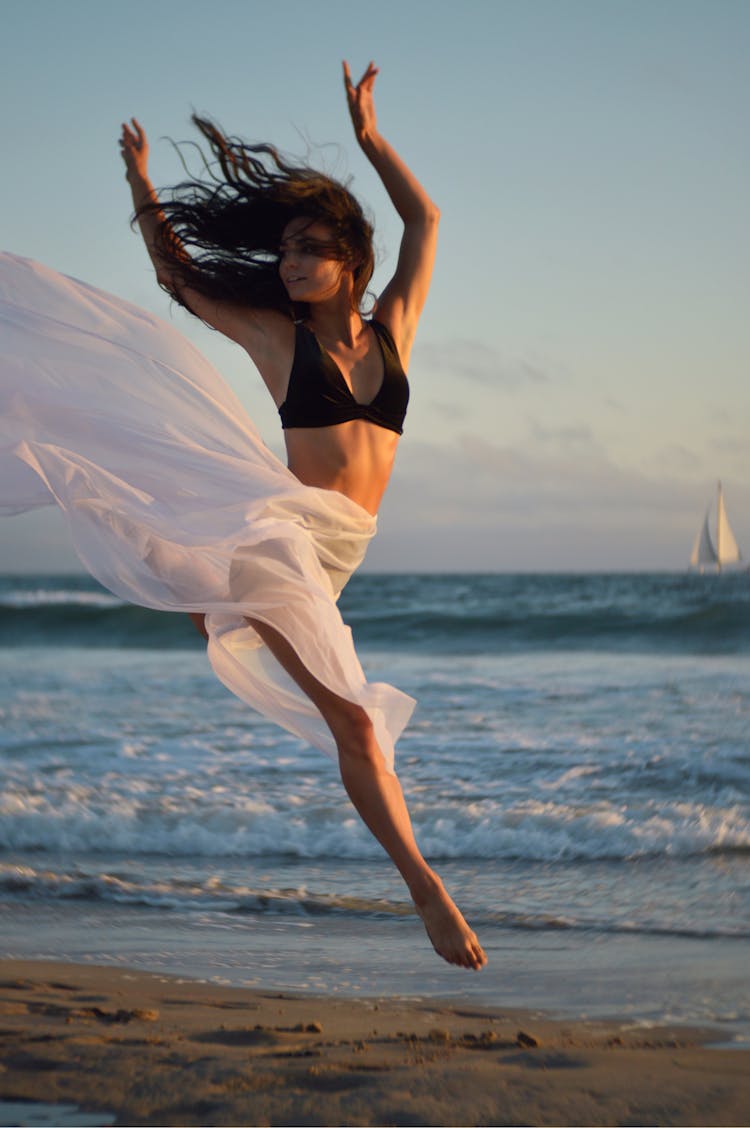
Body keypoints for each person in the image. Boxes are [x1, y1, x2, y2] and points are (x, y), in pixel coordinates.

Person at [1, 63, 485, 971]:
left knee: (315, 686)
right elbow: (175, 276)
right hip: (283, 533)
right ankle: (427, 890)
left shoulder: (393, 329)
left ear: (351, 261)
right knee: (354, 724)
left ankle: (203, 589)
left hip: (338, 553)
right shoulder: (275, 335)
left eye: (309, 249)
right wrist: (142, 186)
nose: (290, 263)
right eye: (286, 250)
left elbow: (424, 221)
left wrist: (371, 139)